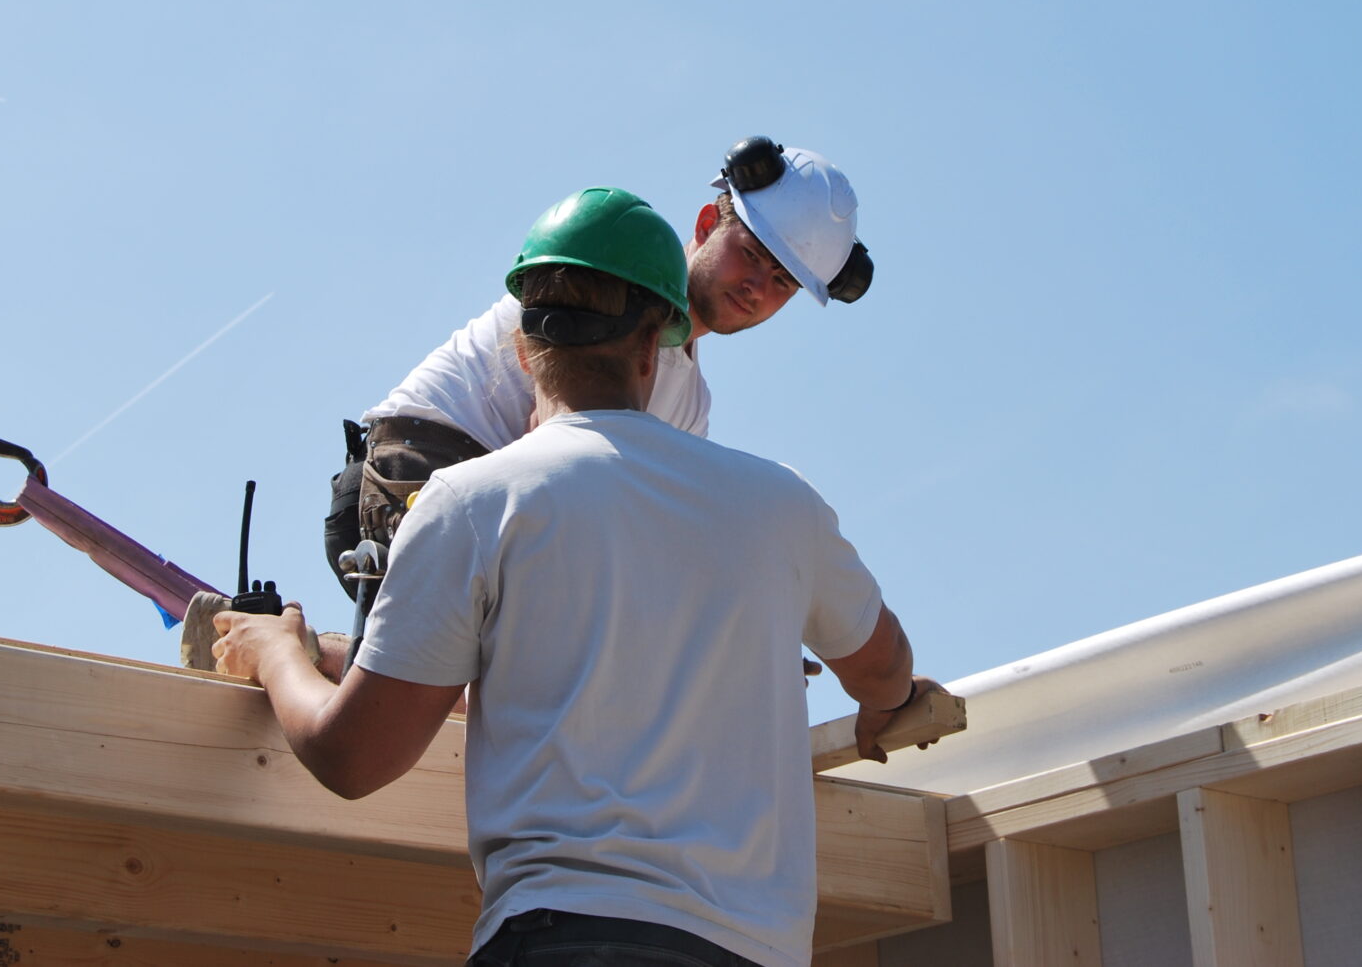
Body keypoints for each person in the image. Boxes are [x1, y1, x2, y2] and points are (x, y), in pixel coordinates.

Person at [218, 187, 931, 967]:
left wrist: (274, 651)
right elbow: (885, 666)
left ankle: (355, 661)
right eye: (754, 255)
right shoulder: (782, 503)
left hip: (562, 936)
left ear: (524, 348)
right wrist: (881, 699)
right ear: (652, 346)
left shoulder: (476, 504)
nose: (759, 284)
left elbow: (351, 758)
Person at [326, 137, 874, 595]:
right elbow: (547, 451)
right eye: (750, 253)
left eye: (782, 281)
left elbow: (646, 533)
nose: (756, 286)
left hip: (498, 499)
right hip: (421, 463)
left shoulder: (691, 404)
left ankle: (324, 655)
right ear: (708, 223)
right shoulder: (611, 267)